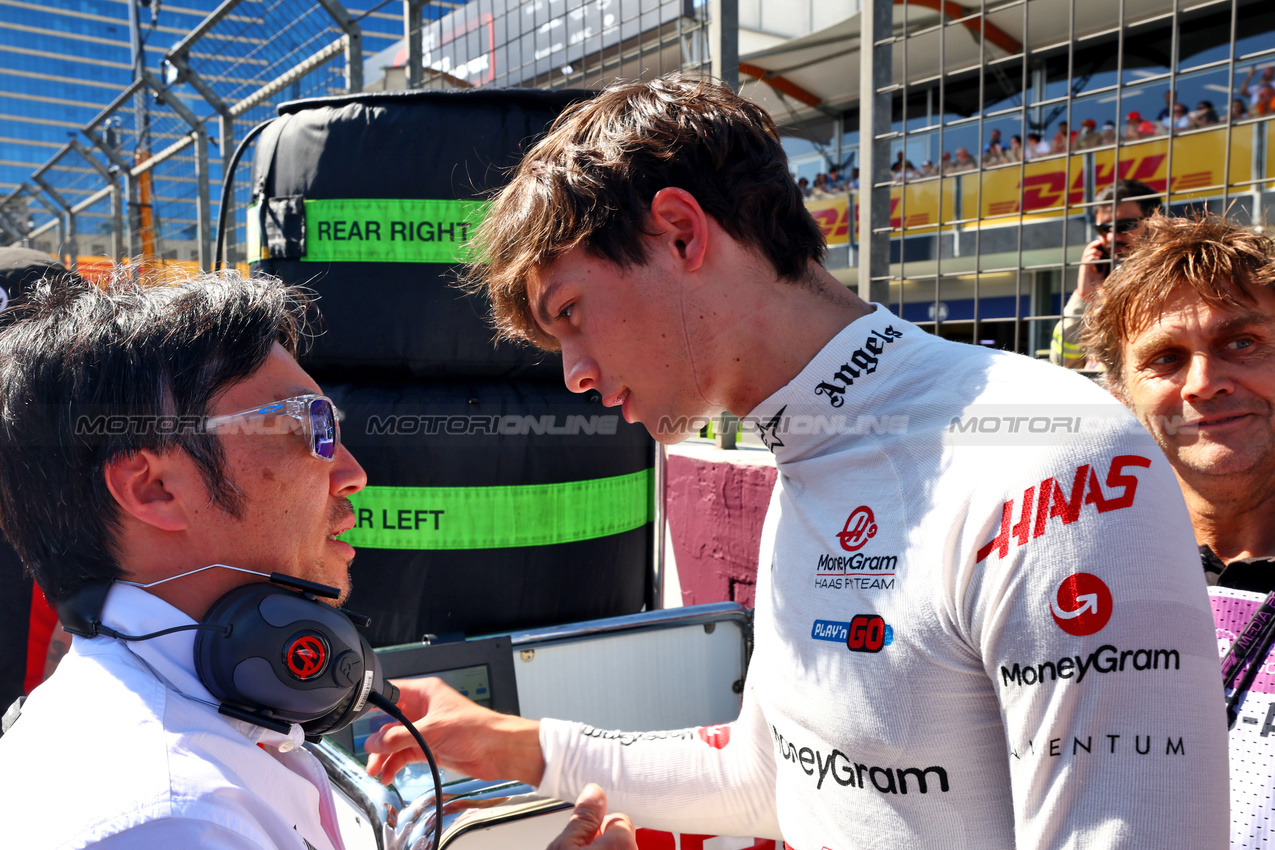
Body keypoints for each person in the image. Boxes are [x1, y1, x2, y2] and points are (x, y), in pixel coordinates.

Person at [365, 75, 1228, 848]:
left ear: (677, 233)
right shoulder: (810, 451)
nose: (575, 375)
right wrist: (506, 743)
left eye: (572, 312)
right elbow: (778, 779)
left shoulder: (1052, 456)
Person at [0, 268, 633, 850]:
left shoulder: (222, 712)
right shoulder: (173, 818)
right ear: (155, 488)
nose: (353, 473)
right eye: (311, 426)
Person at [1082, 211, 1275, 848]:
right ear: (1120, 394)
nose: (1204, 383)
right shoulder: (1075, 578)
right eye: (1165, 359)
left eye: (1241, 342)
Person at [1050, 179, 1160, 369]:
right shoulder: (1103, 286)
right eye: (1103, 228)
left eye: (1125, 226)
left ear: (1155, 224)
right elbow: (1062, 363)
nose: (1111, 237)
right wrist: (1084, 295)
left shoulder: (1175, 281)